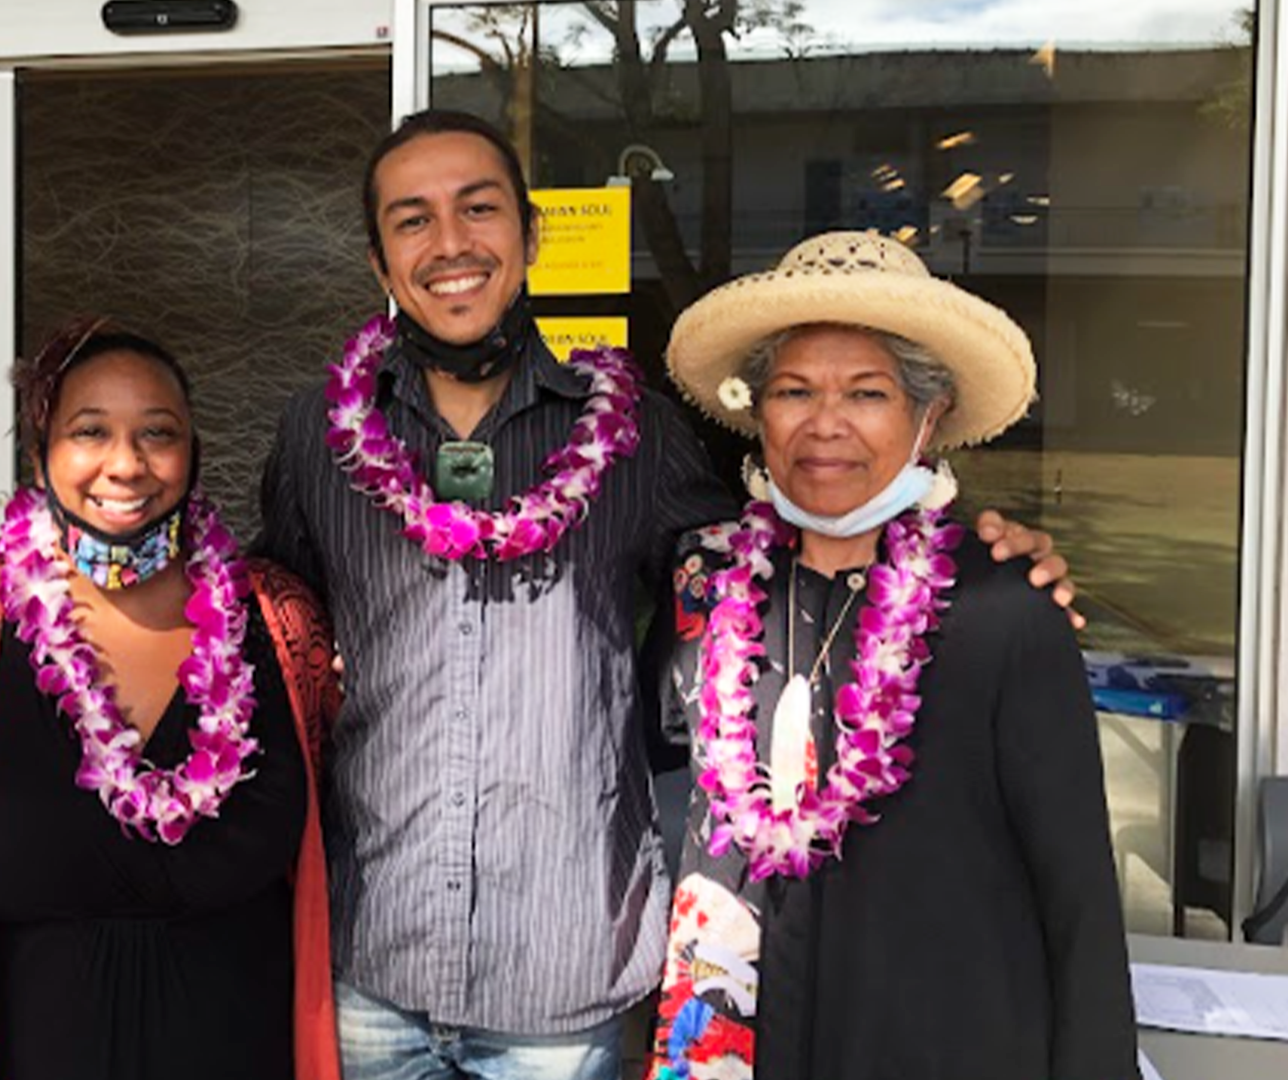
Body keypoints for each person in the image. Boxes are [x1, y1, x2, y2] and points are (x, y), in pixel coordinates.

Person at [256, 110, 1075, 1079]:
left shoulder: (635, 434)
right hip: (372, 965)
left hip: (564, 986)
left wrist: (967, 545)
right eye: (412, 220)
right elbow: (272, 626)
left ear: (528, 233)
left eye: (478, 209)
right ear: (379, 259)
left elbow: (806, 528)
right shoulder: (321, 435)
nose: (450, 245)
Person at [650, 230, 1135, 1079]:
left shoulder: (1002, 608)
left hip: (933, 1042)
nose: (824, 424)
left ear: (928, 414)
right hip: (728, 1045)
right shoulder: (704, 585)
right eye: (794, 390)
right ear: (758, 411)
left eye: (867, 393)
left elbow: (1079, 897)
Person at [0, 319, 342, 1080]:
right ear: (41, 454)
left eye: (157, 433)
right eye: (89, 432)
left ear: (193, 453)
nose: (125, 465)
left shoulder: (282, 624)